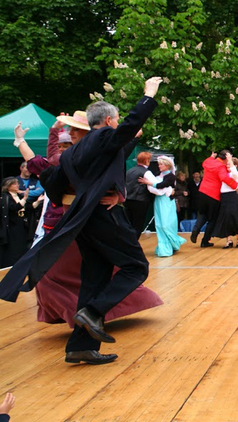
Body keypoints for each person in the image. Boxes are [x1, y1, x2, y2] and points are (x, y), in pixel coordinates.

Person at [0, 77, 164, 365]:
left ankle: (79, 346)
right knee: (136, 267)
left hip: (82, 220)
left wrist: (102, 194)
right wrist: (149, 94)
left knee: (94, 278)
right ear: (110, 121)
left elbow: (52, 180)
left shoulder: (73, 152)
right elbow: (127, 129)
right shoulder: (102, 138)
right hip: (101, 216)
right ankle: (94, 312)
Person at [11, 115, 162, 327]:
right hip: (69, 226)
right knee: (65, 274)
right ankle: (87, 318)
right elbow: (40, 163)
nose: (68, 139)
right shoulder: (65, 159)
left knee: (96, 273)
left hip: (79, 225)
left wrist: (118, 196)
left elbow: (114, 171)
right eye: (66, 137)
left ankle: (89, 319)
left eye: (73, 133)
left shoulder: (90, 156)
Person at [139, 156, 186, 257]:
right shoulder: (157, 175)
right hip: (158, 201)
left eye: (161, 164)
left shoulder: (171, 176)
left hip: (167, 202)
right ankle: (164, 249)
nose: (159, 166)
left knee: (166, 224)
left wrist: (149, 183)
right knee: (159, 225)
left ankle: (173, 243)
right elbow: (158, 188)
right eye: (159, 164)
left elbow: (161, 185)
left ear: (167, 165)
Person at [191, 151, 238, 248]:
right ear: (225, 158)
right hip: (213, 195)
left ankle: (196, 229)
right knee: (212, 219)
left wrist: (211, 157)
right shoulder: (221, 167)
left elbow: (204, 163)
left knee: (203, 214)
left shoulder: (209, 161)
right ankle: (205, 241)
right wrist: (235, 185)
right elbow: (223, 177)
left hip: (202, 191)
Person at [0, 177, 28, 268]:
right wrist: (25, 198)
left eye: (17, 183)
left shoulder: (18, 196)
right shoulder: (5, 197)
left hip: (21, 224)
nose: (17, 185)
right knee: (13, 248)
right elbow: (13, 208)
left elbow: (27, 208)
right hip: (12, 226)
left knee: (22, 246)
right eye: (14, 184)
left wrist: (38, 201)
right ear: (8, 186)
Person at [125, 152, 153, 238]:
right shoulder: (146, 172)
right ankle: (133, 245)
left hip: (128, 200)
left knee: (129, 224)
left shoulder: (129, 171)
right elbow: (154, 185)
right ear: (146, 161)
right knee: (138, 225)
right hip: (141, 201)